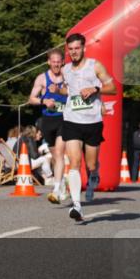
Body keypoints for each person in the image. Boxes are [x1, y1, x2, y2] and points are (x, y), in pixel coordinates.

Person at [58, 33, 117, 221]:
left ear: (84, 48)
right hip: (72, 120)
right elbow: (70, 90)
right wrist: (58, 91)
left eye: (77, 48)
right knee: (74, 162)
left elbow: (113, 88)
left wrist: (95, 89)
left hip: (92, 121)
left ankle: (94, 176)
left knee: (91, 164)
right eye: (71, 49)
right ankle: (77, 205)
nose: (74, 52)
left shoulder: (95, 66)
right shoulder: (66, 69)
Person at [28, 49, 68, 203]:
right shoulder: (42, 78)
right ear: (49, 62)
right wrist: (44, 101)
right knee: (55, 156)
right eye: (54, 61)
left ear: (62, 62)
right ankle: (62, 183)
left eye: (59, 61)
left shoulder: (67, 76)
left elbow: (75, 93)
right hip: (48, 120)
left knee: (59, 152)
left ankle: (56, 190)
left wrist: (62, 92)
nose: (56, 64)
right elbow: (31, 98)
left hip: (64, 118)